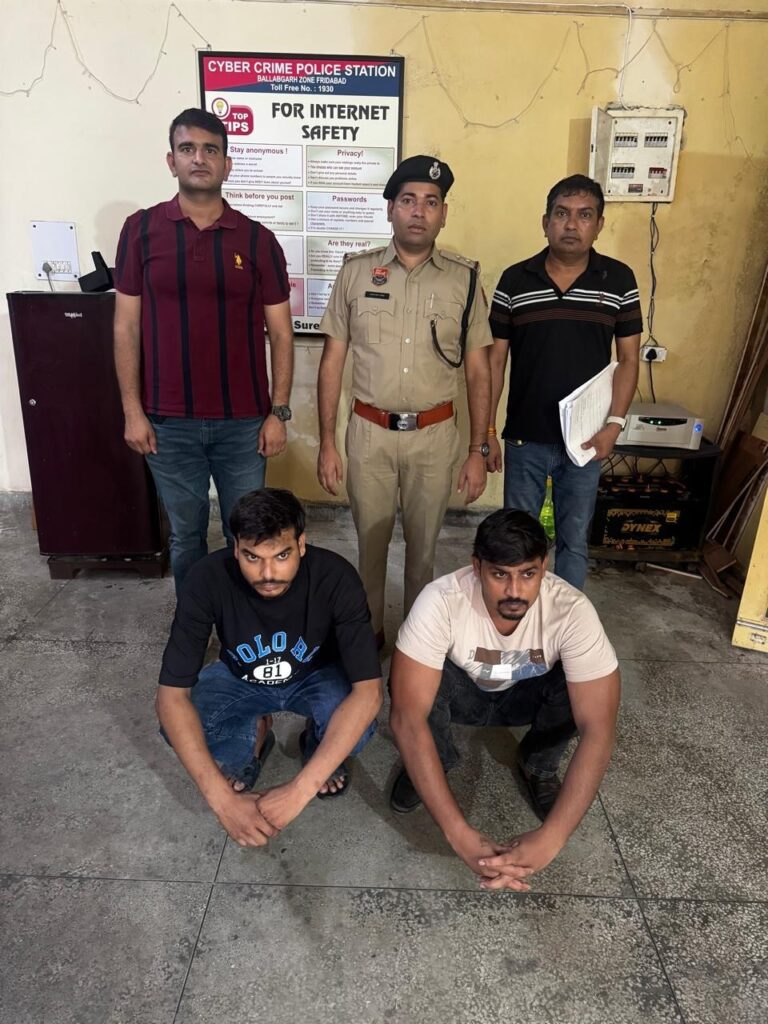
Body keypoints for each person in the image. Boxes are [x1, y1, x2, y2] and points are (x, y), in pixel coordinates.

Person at [389, 508, 620, 891]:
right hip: (463, 693)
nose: (514, 591)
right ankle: (433, 763)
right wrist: (458, 833)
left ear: (544, 567)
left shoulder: (571, 609)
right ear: (477, 567)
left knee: (582, 684)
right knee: (410, 684)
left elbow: (599, 728)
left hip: (525, 694)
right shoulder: (441, 600)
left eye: (528, 574)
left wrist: (553, 837)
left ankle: (538, 765)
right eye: (500, 575)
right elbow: (406, 717)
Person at [114, 107, 294, 590]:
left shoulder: (258, 241)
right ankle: (194, 622)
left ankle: (243, 621)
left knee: (249, 535)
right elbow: (125, 327)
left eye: (210, 149)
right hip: (167, 424)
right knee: (187, 535)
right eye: (188, 148)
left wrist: (278, 412)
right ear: (171, 161)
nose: (199, 158)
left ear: (226, 164)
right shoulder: (139, 231)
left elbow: (281, 333)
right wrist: (132, 411)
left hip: (244, 425)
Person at [317, 155, 492, 646]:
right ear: (390, 209)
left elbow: (479, 370)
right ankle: (368, 639)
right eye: (409, 200)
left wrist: (478, 449)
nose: (419, 211)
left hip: (434, 437)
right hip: (369, 434)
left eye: (431, 202)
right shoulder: (356, 273)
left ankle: (417, 646)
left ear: (444, 214)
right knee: (369, 548)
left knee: (423, 553)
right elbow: (332, 362)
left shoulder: (464, 280)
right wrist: (327, 443)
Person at [155, 488, 383, 848]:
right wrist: (222, 801)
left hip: (316, 676)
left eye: (281, 555)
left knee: (358, 729)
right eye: (252, 557)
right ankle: (256, 733)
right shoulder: (206, 578)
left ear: (301, 544)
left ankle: (317, 745)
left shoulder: (336, 577)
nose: (267, 573)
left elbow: (369, 693)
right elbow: (171, 698)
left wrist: (299, 790)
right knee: (179, 727)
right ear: (235, 548)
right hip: (240, 678)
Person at [487, 174, 642, 590]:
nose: (571, 224)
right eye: (562, 214)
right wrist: (487, 432)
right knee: (517, 542)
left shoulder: (619, 280)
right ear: (545, 222)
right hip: (525, 438)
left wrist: (614, 426)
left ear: (599, 225)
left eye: (584, 215)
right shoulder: (515, 280)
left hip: (587, 441)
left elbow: (629, 360)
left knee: (574, 542)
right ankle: (518, 616)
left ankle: (567, 621)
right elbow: (495, 360)